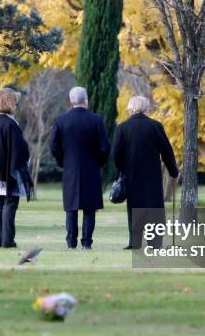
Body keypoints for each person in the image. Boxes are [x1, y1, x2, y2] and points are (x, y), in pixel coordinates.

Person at [112, 96, 179, 249]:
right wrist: (173, 171)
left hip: (131, 174)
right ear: (146, 108)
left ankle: (134, 243)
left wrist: (121, 169)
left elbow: (116, 154)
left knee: (134, 207)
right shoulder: (155, 126)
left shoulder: (122, 128)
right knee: (154, 207)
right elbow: (167, 151)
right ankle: (155, 243)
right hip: (152, 176)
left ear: (130, 108)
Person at [50, 86, 110, 250]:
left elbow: (54, 147)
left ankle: (71, 243)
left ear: (71, 101)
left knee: (71, 208)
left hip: (70, 169)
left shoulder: (60, 121)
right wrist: (98, 162)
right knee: (89, 208)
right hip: (91, 169)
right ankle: (87, 243)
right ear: (86, 101)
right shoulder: (96, 120)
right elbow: (105, 147)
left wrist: (63, 162)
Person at [0, 88, 33, 248]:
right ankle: (8, 241)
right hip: (8, 173)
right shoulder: (10, 124)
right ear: (11, 103)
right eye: (16, 103)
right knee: (10, 204)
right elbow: (20, 150)